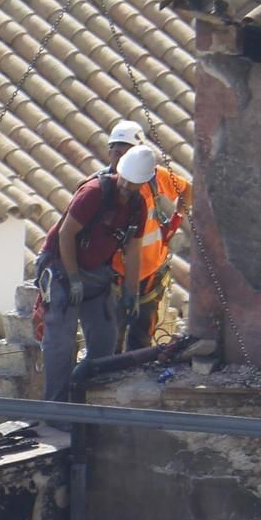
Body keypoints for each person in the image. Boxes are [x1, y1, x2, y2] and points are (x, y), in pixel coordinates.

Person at [34, 145, 152, 401]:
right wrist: (74, 279)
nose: (126, 190)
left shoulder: (137, 207)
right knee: (61, 343)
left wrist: (132, 292)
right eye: (124, 183)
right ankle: (56, 409)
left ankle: (91, 405)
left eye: (133, 187)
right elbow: (66, 235)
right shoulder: (93, 193)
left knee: (105, 340)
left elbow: (133, 251)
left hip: (97, 271)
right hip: (61, 267)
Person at [102, 121, 194, 353]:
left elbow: (186, 190)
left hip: (151, 272)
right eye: (117, 152)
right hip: (117, 274)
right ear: (109, 152)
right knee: (113, 336)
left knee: (141, 337)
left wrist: (177, 219)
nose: (121, 158)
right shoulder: (102, 187)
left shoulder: (154, 178)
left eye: (127, 152)